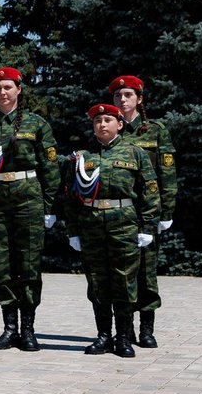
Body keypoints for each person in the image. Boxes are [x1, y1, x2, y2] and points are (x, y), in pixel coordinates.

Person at [0, 67, 59, 352]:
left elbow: (50, 169)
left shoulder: (36, 124)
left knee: (29, 264)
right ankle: (9, 328)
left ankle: (28, 329)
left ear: (19, 89)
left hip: (28, 198)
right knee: (4, 265)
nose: (2, 92)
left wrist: (49, 207)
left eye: (7, 87)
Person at [65, 103, 160, 357]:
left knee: (125, 281)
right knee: (97, 281)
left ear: (119, 124)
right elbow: (71, 197)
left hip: (124, 223)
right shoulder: (82, 156)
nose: (102, 124)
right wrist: (73, 231)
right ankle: (103, 336)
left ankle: (123, 337)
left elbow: (150, 191)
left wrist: (148, 226)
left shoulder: (135, 153)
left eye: (107, 120)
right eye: (97, 121)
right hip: (92, 223)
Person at [109, 74, 177, 347]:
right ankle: (124, 331)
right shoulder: (109, 128)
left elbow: (167, 174)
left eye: (127, 95)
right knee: (119, 273)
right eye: (117, 96)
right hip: (118, 213)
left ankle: (147, 329)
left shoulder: (155, 131)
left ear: (139, 99)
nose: (122, 100)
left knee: (146, 272)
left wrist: (166, 212)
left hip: (147, 211)